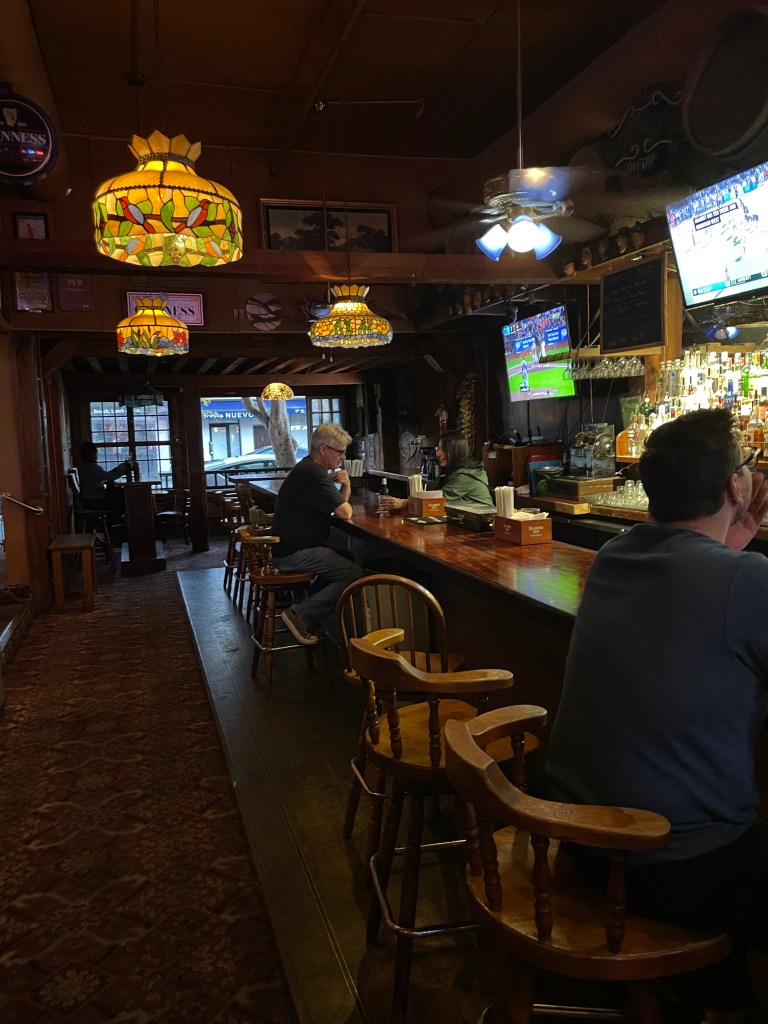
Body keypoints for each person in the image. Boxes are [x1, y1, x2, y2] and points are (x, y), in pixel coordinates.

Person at [546, 408, 768, 1023]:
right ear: (734, 488)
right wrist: (739, 559)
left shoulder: (616, 554)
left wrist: (734, 545)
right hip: (675, 865)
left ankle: (718, 994)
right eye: (747, 466)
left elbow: (692, 588)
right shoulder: (745, 581)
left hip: (583, 843)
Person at [272, 422, 363, 646]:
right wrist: (347, 487)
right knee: (353, 573)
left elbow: (336, 506)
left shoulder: (308, 469)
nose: (342, 457)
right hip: (295, 551)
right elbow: (345, 512)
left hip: (292, 546)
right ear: (324, 449)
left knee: (348, 558)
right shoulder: (313, 473)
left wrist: (339, 488)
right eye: (340, 452)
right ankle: (302, 614)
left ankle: (317, 617)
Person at [379, 429, 495, 511]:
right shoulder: (458, 471)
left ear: (456, 451)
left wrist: (402, 503)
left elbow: (438, 500)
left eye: (443, 449)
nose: (438, 453)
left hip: (483, 528)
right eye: (438, 448)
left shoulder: (466, 475)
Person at [77, 441, 129, 525]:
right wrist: (124, 470)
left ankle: (105, 525)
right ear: (93, 453)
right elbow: (110, 477)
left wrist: (117, 469)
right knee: (121, 504)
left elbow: (104, 476)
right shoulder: (92, 467)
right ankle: (105, 525)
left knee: (117, 496)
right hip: (95, 502)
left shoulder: (84, 466)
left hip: (87, 500)